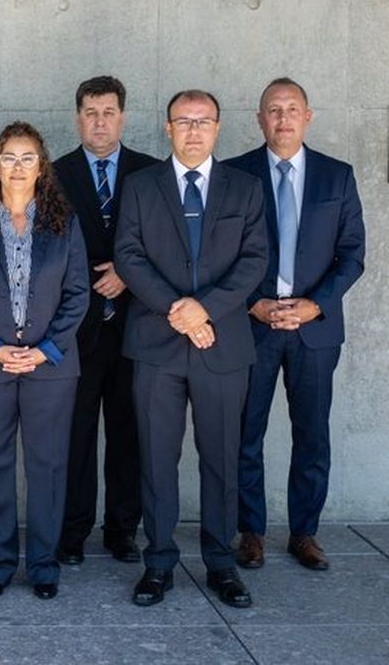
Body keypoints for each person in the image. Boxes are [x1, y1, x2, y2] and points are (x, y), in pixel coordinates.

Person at [115, 90, 267, 608]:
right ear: (167, 128)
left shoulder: (245, 190)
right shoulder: (139, 187)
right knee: (156, 459)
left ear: (219, 128)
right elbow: (129, 256)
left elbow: (254, 262)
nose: (194, 130)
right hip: (157, 345)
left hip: (222, 344)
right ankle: (158, 563)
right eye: (184, 121)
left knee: (221, 459)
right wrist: (179, 311)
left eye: (204, 122)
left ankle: (221, 564)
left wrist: (205, 311)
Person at [225, 78, 365, 571]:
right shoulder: (235, 174)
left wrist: (314, 305)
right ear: (259, 118)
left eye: (291, 109)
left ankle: (304, 532)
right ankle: (251, 532)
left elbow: (352, 255)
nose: (282, 119)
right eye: (272, 110)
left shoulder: (337, 177)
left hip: (314, 329)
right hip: (254, 324)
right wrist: (252, 304)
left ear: (308, 116)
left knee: (313, 432)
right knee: (247, 432)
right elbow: (220, 254)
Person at [0, 121, 89, 600]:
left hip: (51, 368)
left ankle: (44, 563)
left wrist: (45, 350)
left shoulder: (64, 223)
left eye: (28, 157)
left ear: (41, 167)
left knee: (48, 466)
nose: (18, 166)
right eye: (9, 157)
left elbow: (78, 295)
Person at [53, 76, 158, 565]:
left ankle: (121, 531)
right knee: (75, 436)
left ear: (123, 116)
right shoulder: (53, 175)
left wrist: (127, 274)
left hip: (138, 327)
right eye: (91, 112)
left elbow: (168, 249)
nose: (100, 121)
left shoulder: (151, 173)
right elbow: (47, 251)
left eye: (109, 111)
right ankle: (71, 533)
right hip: (78, 329)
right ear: (78, 118)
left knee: (128, 433)